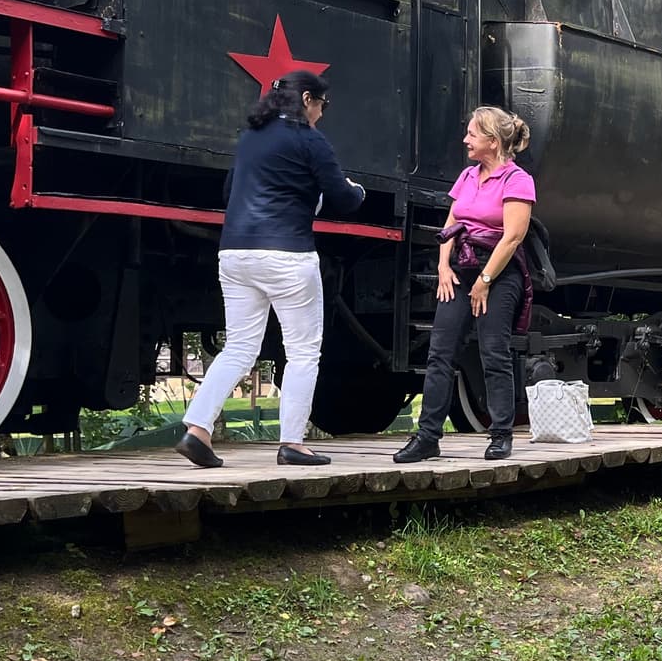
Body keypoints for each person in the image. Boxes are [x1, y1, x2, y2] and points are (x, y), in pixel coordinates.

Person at [177, 71, 364, 468]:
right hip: (287, 256)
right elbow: (344, 199)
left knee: (240, 347)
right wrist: (356, 189)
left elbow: (230, 192)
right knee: (302, 351)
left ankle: (197, 429)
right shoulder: (309, 140)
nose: (322, 113)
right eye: (322, 105)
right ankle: (292, 443)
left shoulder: (250, 138)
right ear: (308, 99)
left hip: (236, 254)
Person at [395, 106, 536, 463]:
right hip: (461, 267)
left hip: (499, 271)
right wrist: (444, 266)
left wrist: (486, 280)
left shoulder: (517, 180)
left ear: (492, 140)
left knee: (493, 351)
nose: (466, 140)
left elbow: (512, 237)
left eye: (472, 134)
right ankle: (428, 436)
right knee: (440, 352)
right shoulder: (468, 176)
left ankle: (501, 433)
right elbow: (451, 225)